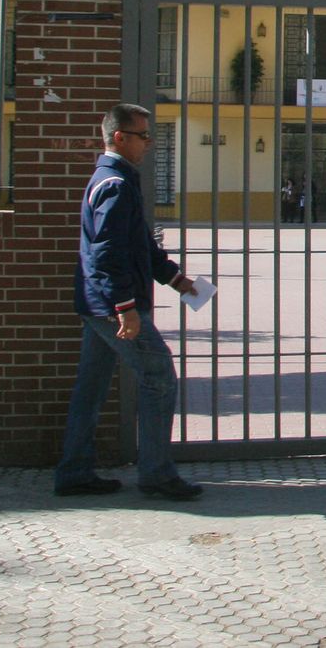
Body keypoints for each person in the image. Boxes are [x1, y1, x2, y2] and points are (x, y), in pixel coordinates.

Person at [54, 103, 204, 502]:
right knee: (159, 380)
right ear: (120, 137)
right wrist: (125, 309)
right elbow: (107, 254)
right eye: (143, 136)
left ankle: (74, 471)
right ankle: (156, 475)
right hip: (112, 308)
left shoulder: (114, 180)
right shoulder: (115, 185)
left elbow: (136, 245)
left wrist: (176, 279)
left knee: (91, 387)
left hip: (96, 305)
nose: (149, 143)